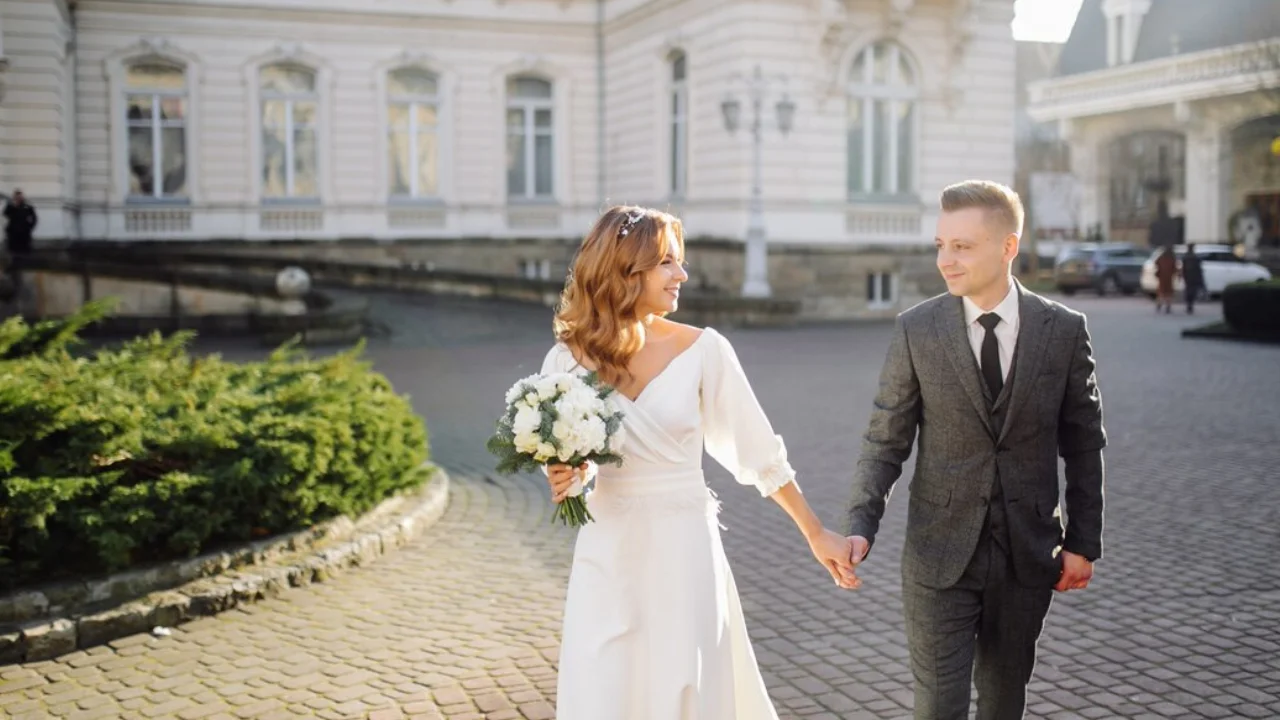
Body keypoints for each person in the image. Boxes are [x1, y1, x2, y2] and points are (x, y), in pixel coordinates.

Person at [541, 205, 857, 719]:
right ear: (626, 269)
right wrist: (564, 477)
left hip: (683, 547)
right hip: (608, 547)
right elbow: (568, 467)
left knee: (685, 683)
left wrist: (815, 532)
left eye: (678, 262)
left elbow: (758, 452)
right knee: (604, 684)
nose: (681, 275)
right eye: (666, 262)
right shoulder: (565, 360)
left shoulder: (704, 350)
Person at [842, 180, 1107, 720]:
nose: (946, 260)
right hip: (938, 552)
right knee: (939, 705)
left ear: (1008, 247)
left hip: (1027, 553)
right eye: (941, 245)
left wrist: (1084, 540)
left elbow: (1083, 444)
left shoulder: (1063, 330)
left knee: (1005, 700)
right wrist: (859, 523)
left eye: (962, 246)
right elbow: (885, 438)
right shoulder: (917, 330)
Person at [3, 190, 38, 256]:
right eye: (17, 197)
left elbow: (34, 218)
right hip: (13, 231)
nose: (18, 199)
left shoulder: (27, 206)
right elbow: (5, 214)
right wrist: (13, 206)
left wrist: (30, 226)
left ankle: (25, 262)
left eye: (20, 197)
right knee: (13, 249)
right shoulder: (11, 206)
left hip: (24, 230)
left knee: (25, 248)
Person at [1181, 243, 1205, 315]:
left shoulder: (1186, 257)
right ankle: (1190, 306)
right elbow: (1198, 269)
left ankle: (1189, 305)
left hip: (1188, 277)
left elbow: (1184, 268)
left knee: (1188, 290)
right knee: (1192, 291)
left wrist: (1184, 275)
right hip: (1193, 276)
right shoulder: (1195, 257)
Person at [1154, 245, 1177, 314]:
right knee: (1168, 292)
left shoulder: (1161, 258)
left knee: (1161, 291)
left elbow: (1156, 262)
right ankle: (1168, 306)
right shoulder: (1172, 258)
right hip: (1169, 278)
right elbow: (1175, 268)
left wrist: (1159, 269)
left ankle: (1159, 304)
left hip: (1162, 277)